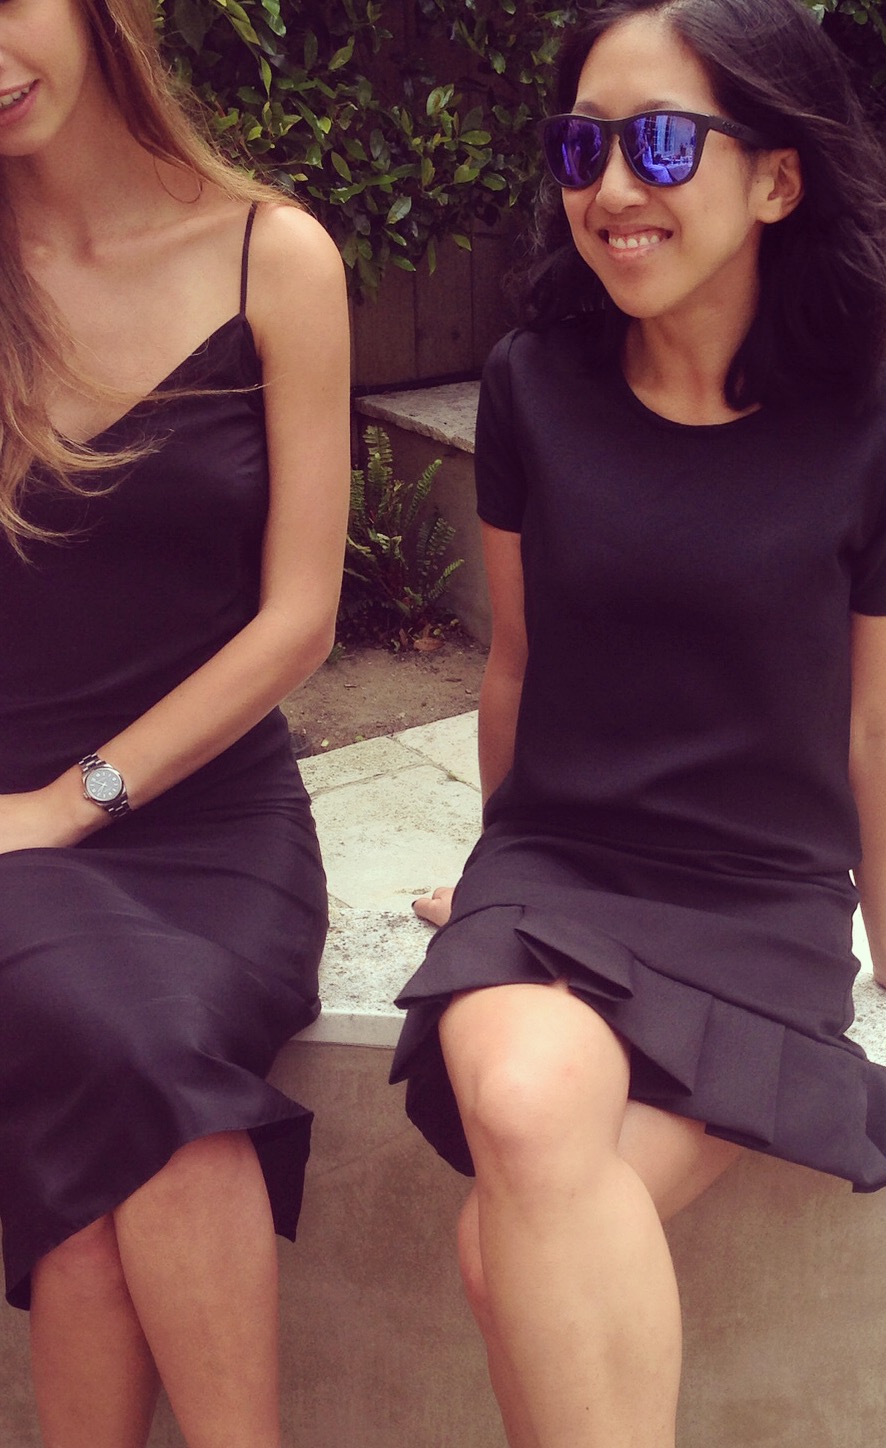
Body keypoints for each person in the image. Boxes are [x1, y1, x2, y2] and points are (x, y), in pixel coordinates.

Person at [391, 0, 886, 1442]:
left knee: (500, 1245)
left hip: (759, 899)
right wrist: (488, 877)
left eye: (661, 144)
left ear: (777, 180)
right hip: (556, 866)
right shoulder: (531, 386)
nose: (612, 187)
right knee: (525, 1098)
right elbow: (516, 667)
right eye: (582, 147)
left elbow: (877, 725)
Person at [0, 1, 349, 1445]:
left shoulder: (276, 256)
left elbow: (299, 618)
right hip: (2, 840)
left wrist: (72, 803)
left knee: (107, 1153)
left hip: (217, 825)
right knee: (143, 1074)